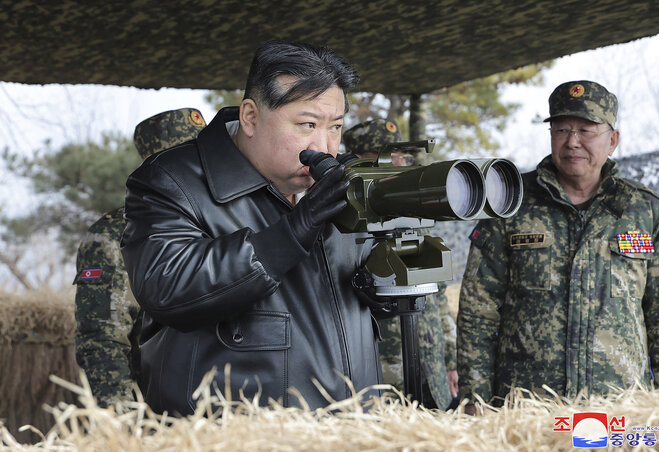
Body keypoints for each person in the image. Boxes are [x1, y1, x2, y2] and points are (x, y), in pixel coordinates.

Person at [120, 40, 382, 415]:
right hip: (232, 436)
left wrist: (385, 288)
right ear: (250, 117)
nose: (325, 146)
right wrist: (292, 233)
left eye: (335, 127)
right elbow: (168, 288)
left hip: (354, 431)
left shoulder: (340, 185)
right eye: (307, 124)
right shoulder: (171, 182)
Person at [457, 80, 659, 413]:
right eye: (561, 129)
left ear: (613, 140)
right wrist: (475, 400)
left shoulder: (644, 210)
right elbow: (479, 311)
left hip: (618, 408)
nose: (572, 142)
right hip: (528, 410)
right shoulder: (510, 205)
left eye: (586, 130)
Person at [74, 108, 206, 406]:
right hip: (157, 417)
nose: (198, 168)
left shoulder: (229, 220)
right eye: (183, 159)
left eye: (201, 156)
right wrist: (125, 429)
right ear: (153, 166)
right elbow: (102, 340)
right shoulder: (114, 234)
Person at [343, 118, 459, 409]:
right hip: (381, 378)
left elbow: (439, 295)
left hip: (431, 373)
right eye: (385, 158)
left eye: (403, 158)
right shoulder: (342, 225)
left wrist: (450, 359)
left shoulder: (416, 219)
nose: (398, 166)